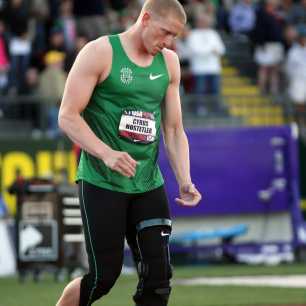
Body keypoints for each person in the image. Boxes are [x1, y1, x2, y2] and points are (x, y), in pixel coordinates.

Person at [56, 1, 202, 306]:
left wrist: (184, 179)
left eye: (175, 36)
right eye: (165, 33)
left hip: (148, 182)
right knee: (102, 278)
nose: (168, 42)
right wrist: (106, 153)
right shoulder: (100, 53)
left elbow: (173, 129)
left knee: (159, 279)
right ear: (146, 18)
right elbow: (68, 116)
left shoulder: (170, 63)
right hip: (101, 181)